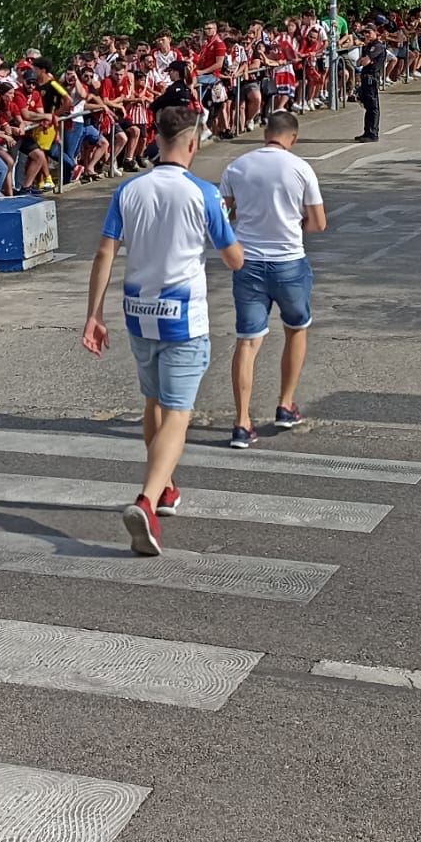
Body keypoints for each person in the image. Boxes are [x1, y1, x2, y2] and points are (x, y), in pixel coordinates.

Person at [82, 105, 245, 556]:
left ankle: (166, 487)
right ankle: (147, 501)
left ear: (155, 140)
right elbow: (234, 259)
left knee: (152, 401)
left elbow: (104, 253)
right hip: (183, 316)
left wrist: (94, 314)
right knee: (178, 412)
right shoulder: (204, 193)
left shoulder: (129, 189)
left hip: (138, 310)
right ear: (193, 143)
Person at [218, 111, 325, 448]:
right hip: (289, 262)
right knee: (295, 330)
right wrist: (296, 223)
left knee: (247, 342)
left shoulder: (237, 166)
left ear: (266, 133)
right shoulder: (300, 168)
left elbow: (223, 214)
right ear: (292, 137)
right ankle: (285, 404)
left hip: (248, 263)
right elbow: (318, 223)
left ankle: (241, 422)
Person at [352, 26, 390, 142]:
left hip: (371, 78)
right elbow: (359, 63)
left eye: (369, 32)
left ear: (375, 32)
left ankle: (373, 133)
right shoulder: (367, 46)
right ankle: (367, 131)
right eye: (365, 33)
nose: (366, 35)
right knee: (368, 106)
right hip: (365, 77)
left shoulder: (377, 46)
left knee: (373, 107)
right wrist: (365, 60)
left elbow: (365, 61)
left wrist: (366, 60)